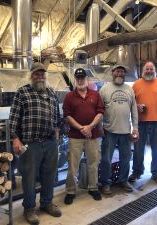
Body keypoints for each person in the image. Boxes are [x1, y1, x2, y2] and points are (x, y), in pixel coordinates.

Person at [9, 62, 62, 224]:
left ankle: (46, 203)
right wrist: (15, 138)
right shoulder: (22, 92)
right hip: (31, 144)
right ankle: (29, 208)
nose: (40, 77)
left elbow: (57, 116)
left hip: (50, 142)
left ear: (46, 76)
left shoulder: (52, 93)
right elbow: (13, 119)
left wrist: (57, 130)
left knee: (49, 175)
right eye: (37, 74)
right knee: (29, 177)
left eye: (42, 74)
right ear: (31, 75)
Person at [63, 68, 104, 205]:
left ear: (87, 80)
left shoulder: (95, 95)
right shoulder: (69, 96)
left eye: (82, 78)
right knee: (72, 166)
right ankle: (70, 191)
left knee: (94, 163)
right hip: (75, 136)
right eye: (78, 78)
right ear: (75, 79)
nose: (80, 80)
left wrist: (90, 127)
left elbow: (100, 113)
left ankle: (93, 188)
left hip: (93, 135)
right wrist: (81, 128)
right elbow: (67, 116)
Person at [129, 61, 157, 185]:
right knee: (138, 148)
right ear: (143, 70)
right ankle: (137, 172)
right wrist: (137, 106)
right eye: (147, 69)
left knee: (156, 149)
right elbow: (130, 103)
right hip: (140, 122)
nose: (149, 71)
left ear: (154, 70)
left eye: (151, 69)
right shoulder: (136, 84)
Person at [99, 65, 139, 195]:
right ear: (113, 73)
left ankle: (123, 180)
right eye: (118, 71)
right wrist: (100, 127)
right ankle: (105, 183)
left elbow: (134, 110)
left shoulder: (129, 90)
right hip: (109, 130)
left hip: (126, 131)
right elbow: (99, 110)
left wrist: (135, 128)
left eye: (122, 72)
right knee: (106, 159)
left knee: (126, 158)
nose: (120, 74)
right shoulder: (104, 89)